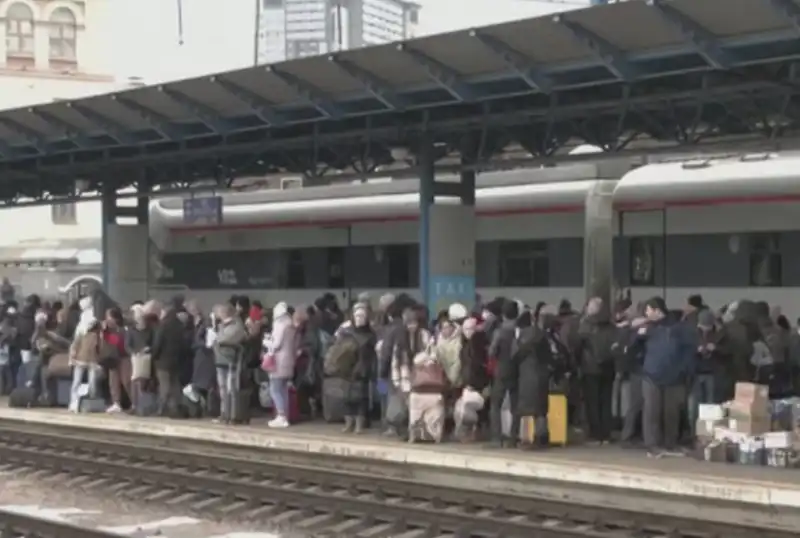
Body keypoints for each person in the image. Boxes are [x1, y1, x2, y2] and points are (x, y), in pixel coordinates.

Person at [635, 297, 697, 458]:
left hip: (667, 375)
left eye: (647, 310)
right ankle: (654, 444)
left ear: (656, 310)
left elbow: (689, 350)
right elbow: (634, 348)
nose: (646, 314)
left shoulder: (675, 329)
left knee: (669, 412)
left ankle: (668, 443)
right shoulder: (647, 329)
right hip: (654, 375)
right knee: (653, 411)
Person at [488, 300, 520, 448]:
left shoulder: (499, 332)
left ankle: (496, 438)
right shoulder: (519, 331)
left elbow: (492, 352)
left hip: (501, 370)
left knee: (495, 404)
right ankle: (513, 438)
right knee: (515, 406)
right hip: (516, 370)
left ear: (503, 314)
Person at [212, 303, 247, 423]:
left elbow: (225, 338)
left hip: (231, 360)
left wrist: (217, 339)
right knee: (222, 389)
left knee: (232, 388)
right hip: (220, 360)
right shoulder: (221, 325)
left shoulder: (236, 325)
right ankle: (224, 413)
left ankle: (234, 415)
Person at [151, 299, 187, 416]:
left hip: (162, 360)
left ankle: (161, 409)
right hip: (176, 360)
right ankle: (175, 408)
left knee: (164, 385)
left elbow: (158, 343)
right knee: (175, 385)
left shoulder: (163, 324)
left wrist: (153, 356)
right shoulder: (179, 325)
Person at [267, 302, 297, 428]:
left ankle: (281, 416)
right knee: (284, 389)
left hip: (279, 361)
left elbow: (276, 344)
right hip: (289, 360)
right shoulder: (291, 325)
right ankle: (285, 416)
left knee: (275, 389)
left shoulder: (280, 324)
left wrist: (267, 342)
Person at [104, 307, 131, 413]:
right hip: (113, 358)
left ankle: (135, 401)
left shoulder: (124, 329)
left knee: (126, 380)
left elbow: (120, 342)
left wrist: (108, 335)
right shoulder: (108, 330)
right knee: (113, 381)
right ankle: (116, 402)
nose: (107, 319)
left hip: (124, 357)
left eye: (109, 317)